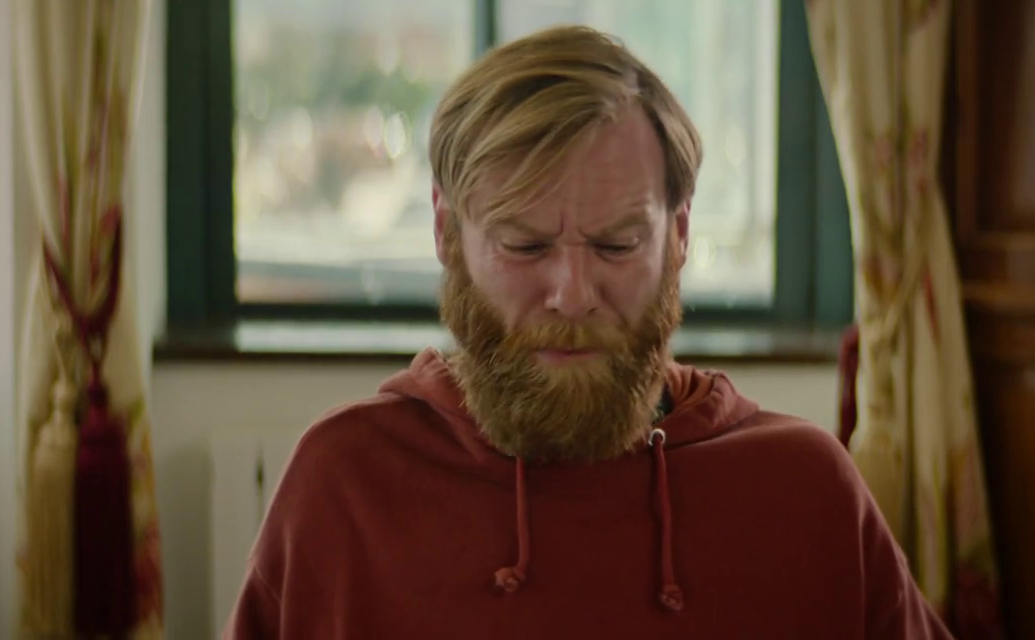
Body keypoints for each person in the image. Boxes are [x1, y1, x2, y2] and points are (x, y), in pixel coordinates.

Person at [224, 25, 952, 639]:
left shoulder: (807, 491)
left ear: (681, 236)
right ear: (447, 234)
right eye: (525, 246)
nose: (573, 296)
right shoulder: (343, 486)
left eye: (616, 246)